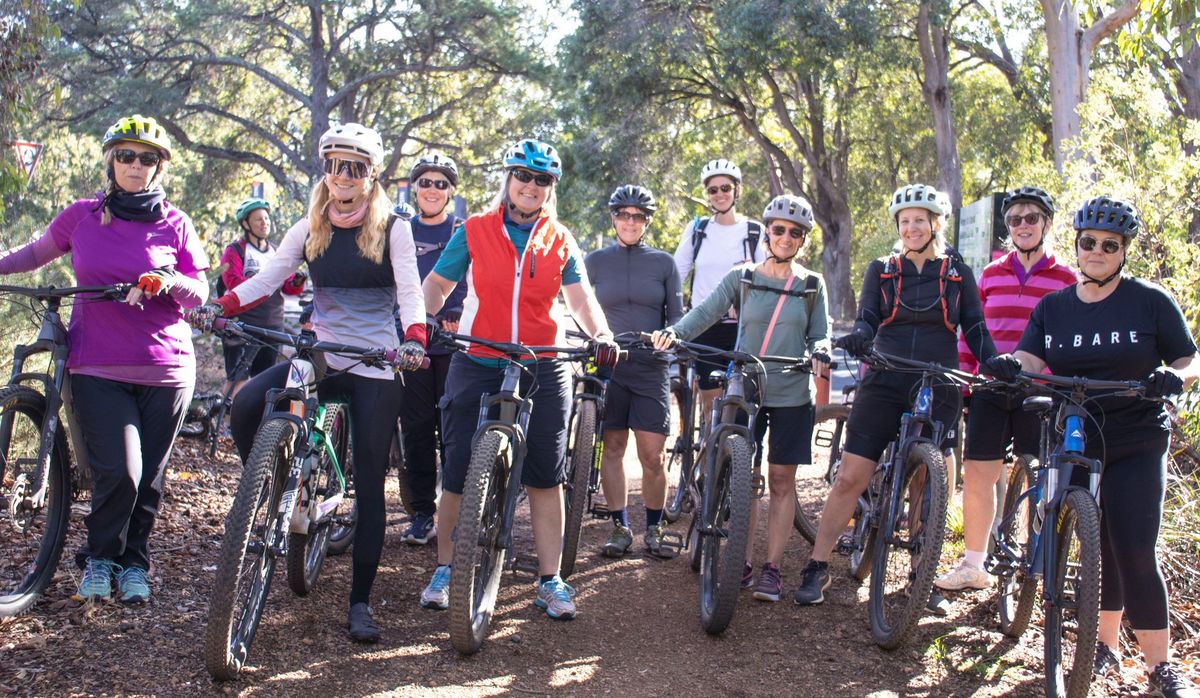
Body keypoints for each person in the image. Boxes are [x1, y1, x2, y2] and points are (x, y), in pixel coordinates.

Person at [199, 123, 427, 643]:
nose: (342, 176)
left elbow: (411, 293)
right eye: (334, 165)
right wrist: (223, 304)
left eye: (355, 167)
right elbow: (268, 278)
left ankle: (360, 603)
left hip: (374, 359)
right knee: (247, 406)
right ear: (325, 170)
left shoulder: (394, 228)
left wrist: (413, 337)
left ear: (371, 176)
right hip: (319, 354)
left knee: (370, 485)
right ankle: (278, 479)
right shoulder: (310, 226)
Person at [0, 114, 209, 604]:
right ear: (111, 161)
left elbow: (200, 292)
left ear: (159, 167)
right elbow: (32, 254)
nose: (136, 165)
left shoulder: (175, 223)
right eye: (126, 155)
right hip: (96, 365)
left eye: (147, 158)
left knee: (149, 478)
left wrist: (166, 279)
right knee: (120, 471)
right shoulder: (82, 216)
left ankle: (133, 563)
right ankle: (98, 560)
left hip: (167, 368)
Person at [1004, 196, 1199, 697]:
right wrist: (1010, 365)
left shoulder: (1149, 300)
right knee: (1093, 543)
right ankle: (1103, 647)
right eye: (1088, 242)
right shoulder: (1054, 307)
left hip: (1136, 438)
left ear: (1123, 251)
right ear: (1077, 244)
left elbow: (1189, 360)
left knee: (1132, 546)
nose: (1096, 251)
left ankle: (1161, 667)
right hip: (1076, 435)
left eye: (1108, 245)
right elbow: (1029, 354)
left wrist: (1171, 379)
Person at [419, 138, 617, 620]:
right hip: (478, 357)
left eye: (542, 179)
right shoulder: (475, 230)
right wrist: (419, 321)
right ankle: (446, 567)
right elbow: (439, 284)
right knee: (459, 472)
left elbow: (581, 299)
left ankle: (550, 580)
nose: (531, 186)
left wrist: (602, 332)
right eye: (523, 176)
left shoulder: (560, 238)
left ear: (550, 189)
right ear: (507, 180)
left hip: (543, 362)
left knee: (547, 477)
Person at [792, 183, 1006, 612]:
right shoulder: (883, 269)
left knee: (930, 482)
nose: (910, 228)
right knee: (852, 475)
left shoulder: (957, 273)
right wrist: (860, 337)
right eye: (904, 221)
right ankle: (817, 565)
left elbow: (976, 328)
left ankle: (920, 576)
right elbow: (869, 314)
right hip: (886, 378)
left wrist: (994, 362)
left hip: (938, 380)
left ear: (935, 225)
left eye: (919, 221)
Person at [653, 193, 829, 602]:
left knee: (783, 480)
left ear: (803, 240)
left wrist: (822, 349)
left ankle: (772, 570)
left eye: (795, 233)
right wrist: (675, 333)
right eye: (780, 229)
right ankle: (740, 561)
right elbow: (708, 312)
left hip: (790, 391)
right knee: (744, 479)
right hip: (747, 386)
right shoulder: (743, 276)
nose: (786, 237)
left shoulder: (810, 284)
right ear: (768, 231)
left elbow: (820, 332)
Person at [934, 186, 1075, 593]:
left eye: (1032, 218)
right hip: (990, 388)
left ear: (1047, 223)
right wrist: (964, 380)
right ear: (1007, 227)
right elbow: (970, 332)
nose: (1023, 226)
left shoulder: (1066, 278)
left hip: (1039, 391)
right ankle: (973, 564)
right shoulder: (991, 274)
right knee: (979, 474)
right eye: (1015, 219)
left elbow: (1065, 339)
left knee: (1039, 478)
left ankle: (1038, 562)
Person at [584, 185, 683, 558]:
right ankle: (620, 527)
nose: (630, 221)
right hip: (608, 365)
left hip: (650, 366)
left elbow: (676, 316)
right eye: (623, 214)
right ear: (613, 218)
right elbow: (580, 308)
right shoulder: (594, 261)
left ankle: (654, 528)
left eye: (637, 216)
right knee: (612, 447)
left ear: (647, 222)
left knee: (652, 455)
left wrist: (669, 334)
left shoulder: (664, 263)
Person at [397, 153, 467, 545]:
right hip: (411, 344)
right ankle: (422, 511)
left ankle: (455, 513)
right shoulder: (401, 230)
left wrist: (455, 313)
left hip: (453, 344)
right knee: (417, 428)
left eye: (441, 184)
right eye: (426, 182)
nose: (433, 190)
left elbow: (472, 280)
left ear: (450, 192)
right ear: (415, 187)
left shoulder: (462, 229)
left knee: (453, 430)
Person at [673, 159, 764, 423]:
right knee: (710, 402)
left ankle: (734, 458)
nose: (720, 194)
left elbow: (766, 277)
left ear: (737, 190)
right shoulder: (698, 230)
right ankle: (708, 456)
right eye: (713, 190)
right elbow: (677, 273)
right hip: (706, 327)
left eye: (725, 187)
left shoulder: (753, 231)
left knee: (741, 400)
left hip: (743, 328)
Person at [217, 198, 306, 398]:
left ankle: (256, 427)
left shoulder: (277, 252)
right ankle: (230, 426)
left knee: (264, 381)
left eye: (266, 218)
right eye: (258, 219)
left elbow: (288, 288)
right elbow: (232, 282)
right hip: (242, 325)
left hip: (272, 325)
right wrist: (262, 283)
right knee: (237, 380)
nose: (264, 223)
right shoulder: (235, 251)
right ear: (246, 224)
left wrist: (297, 282)